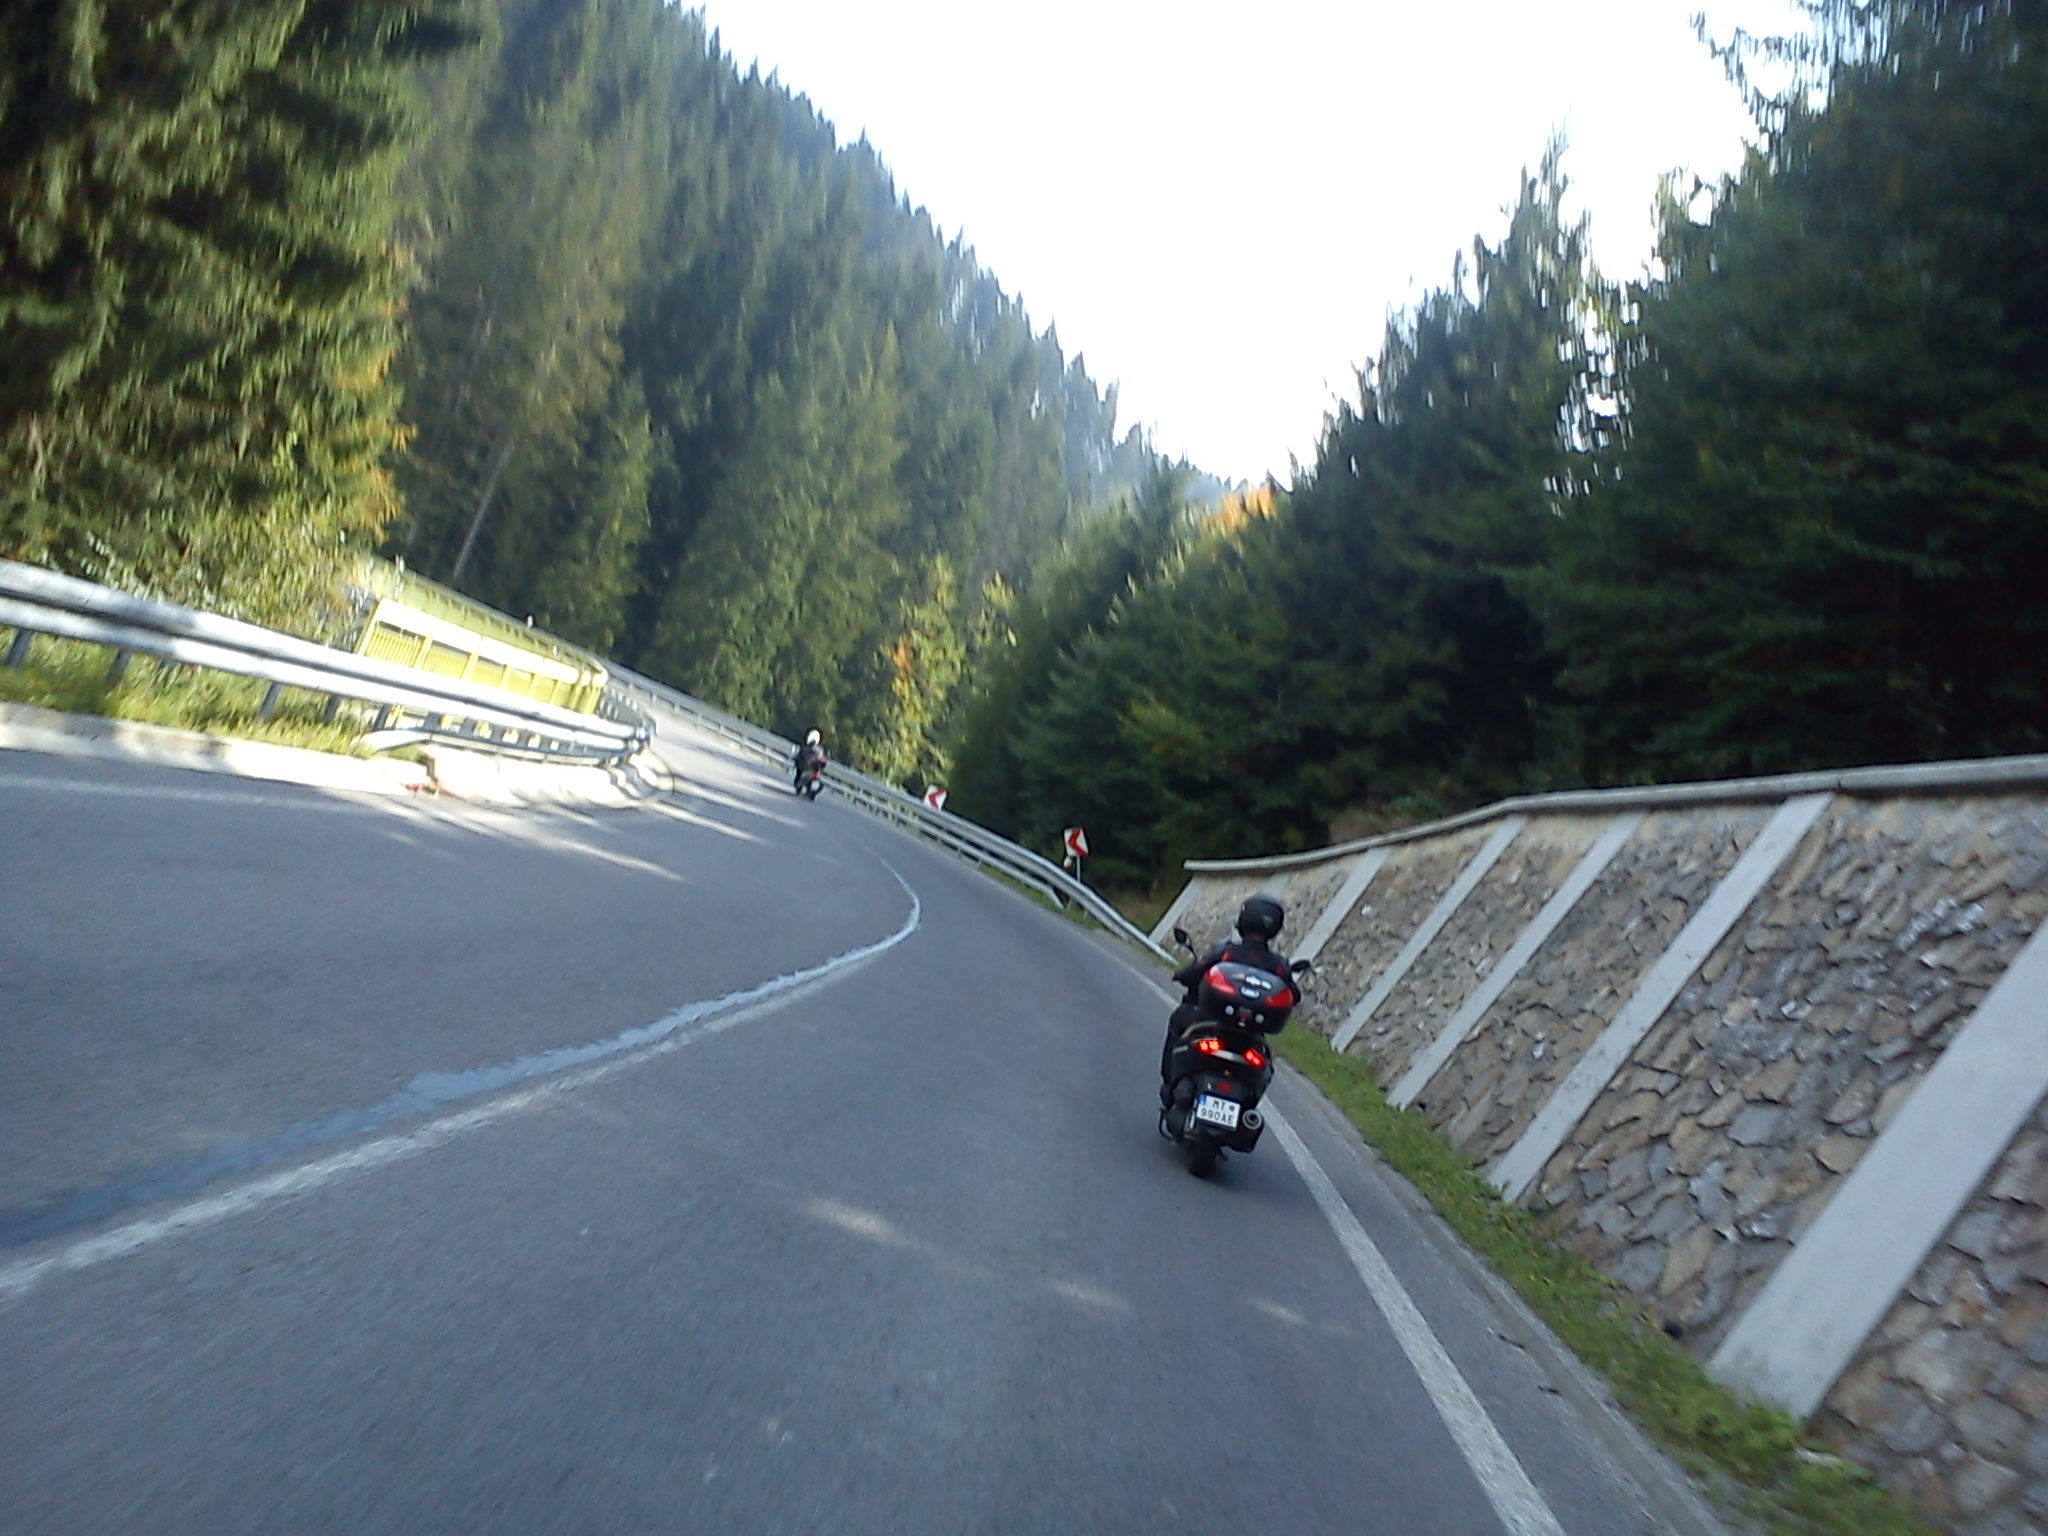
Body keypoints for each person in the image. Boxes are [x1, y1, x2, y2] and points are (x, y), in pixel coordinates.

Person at [1161, 893, 1293, 1106]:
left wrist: (1182, 975)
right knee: (1265, 1061)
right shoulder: (1279, 965)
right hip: (1251, 1036)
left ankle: (1170, 1084)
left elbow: (1196, 972)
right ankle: (1248, 1103)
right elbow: (1293, 994)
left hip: (1211, 1024)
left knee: (1179, 1021)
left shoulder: (1226, 952)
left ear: (1244, 918)